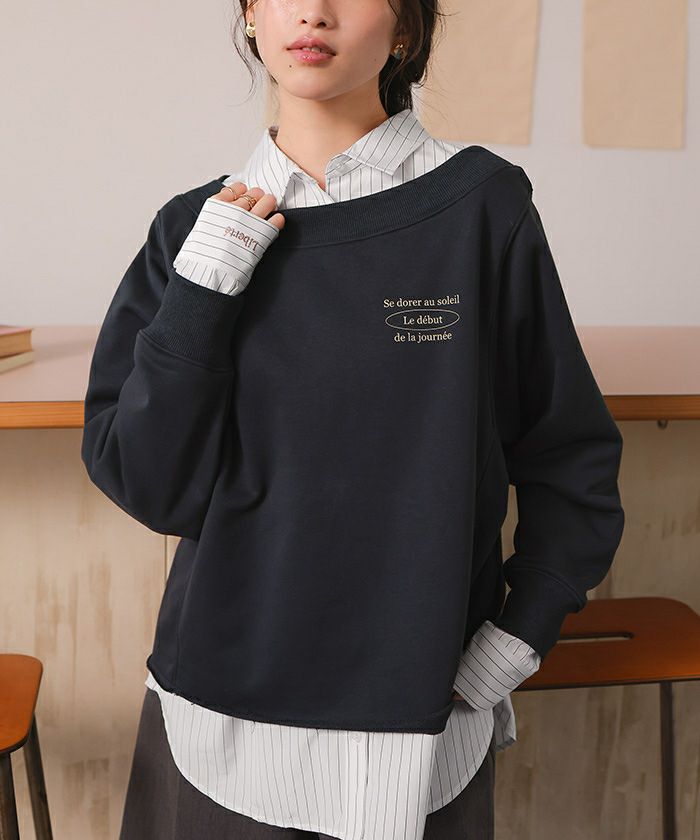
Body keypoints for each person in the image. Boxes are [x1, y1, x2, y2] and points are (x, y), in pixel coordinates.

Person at [80, 1, 625, 838]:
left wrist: (521, 632)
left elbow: (567, 449)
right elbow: (151, 485)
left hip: (425, 717)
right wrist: (203, 292)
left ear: (407, 29)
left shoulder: (481, 206)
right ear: (252, 17)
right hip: (219, 713)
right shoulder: (192, 229)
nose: (314, 11)